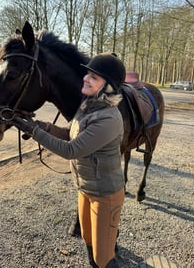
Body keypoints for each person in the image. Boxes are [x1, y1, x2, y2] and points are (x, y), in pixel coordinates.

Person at [7, 53, 126, 268]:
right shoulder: (87, 106)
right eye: (87, 73)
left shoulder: (109, 118)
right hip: (85, 188)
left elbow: (72, 150)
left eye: (94, 77)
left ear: (108, 87)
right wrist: (43, 126)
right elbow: (70, 134)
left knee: (104, 258)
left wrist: (33, 131)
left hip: (106, 195)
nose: (86, 78)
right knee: (88, 241)